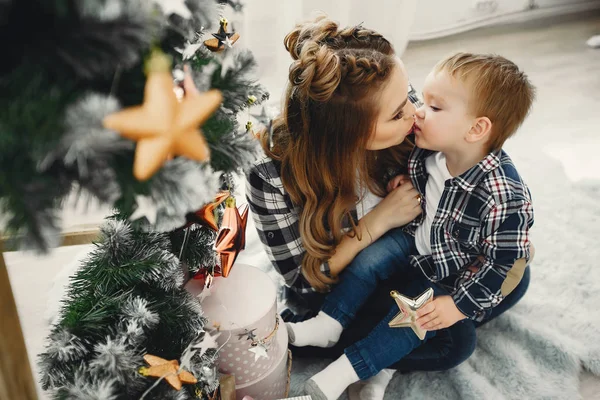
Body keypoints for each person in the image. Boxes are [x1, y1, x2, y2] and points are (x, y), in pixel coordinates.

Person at [245, 15, 530, 399]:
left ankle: (371, 354)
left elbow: (474, 151)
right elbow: (304, 281)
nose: (416, 112)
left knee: (507, 284)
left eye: (412, 97)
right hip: (350, 279)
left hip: (425, 257)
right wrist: (378, 221)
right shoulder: (271, 176)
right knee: (452, 342)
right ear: (349, 135)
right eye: (400, 113)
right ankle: (351, 343)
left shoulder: (410, 114)